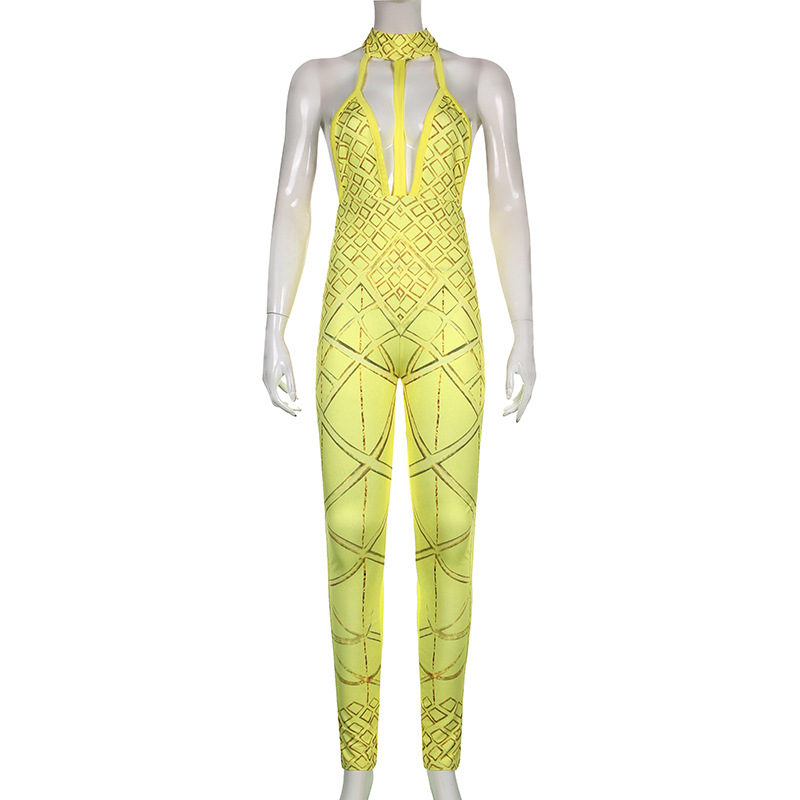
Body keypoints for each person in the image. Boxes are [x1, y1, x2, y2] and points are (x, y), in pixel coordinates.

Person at [263, 3, 536, 799]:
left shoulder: (484, 82)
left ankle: (442, 764)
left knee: (450, 533)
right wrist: (272, 324)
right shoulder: (317, 81)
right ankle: (358, 767)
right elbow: (291, 203)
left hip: (450, 320)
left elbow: (510, 204)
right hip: (351, 319)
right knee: (349, 534)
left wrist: (526, 326)